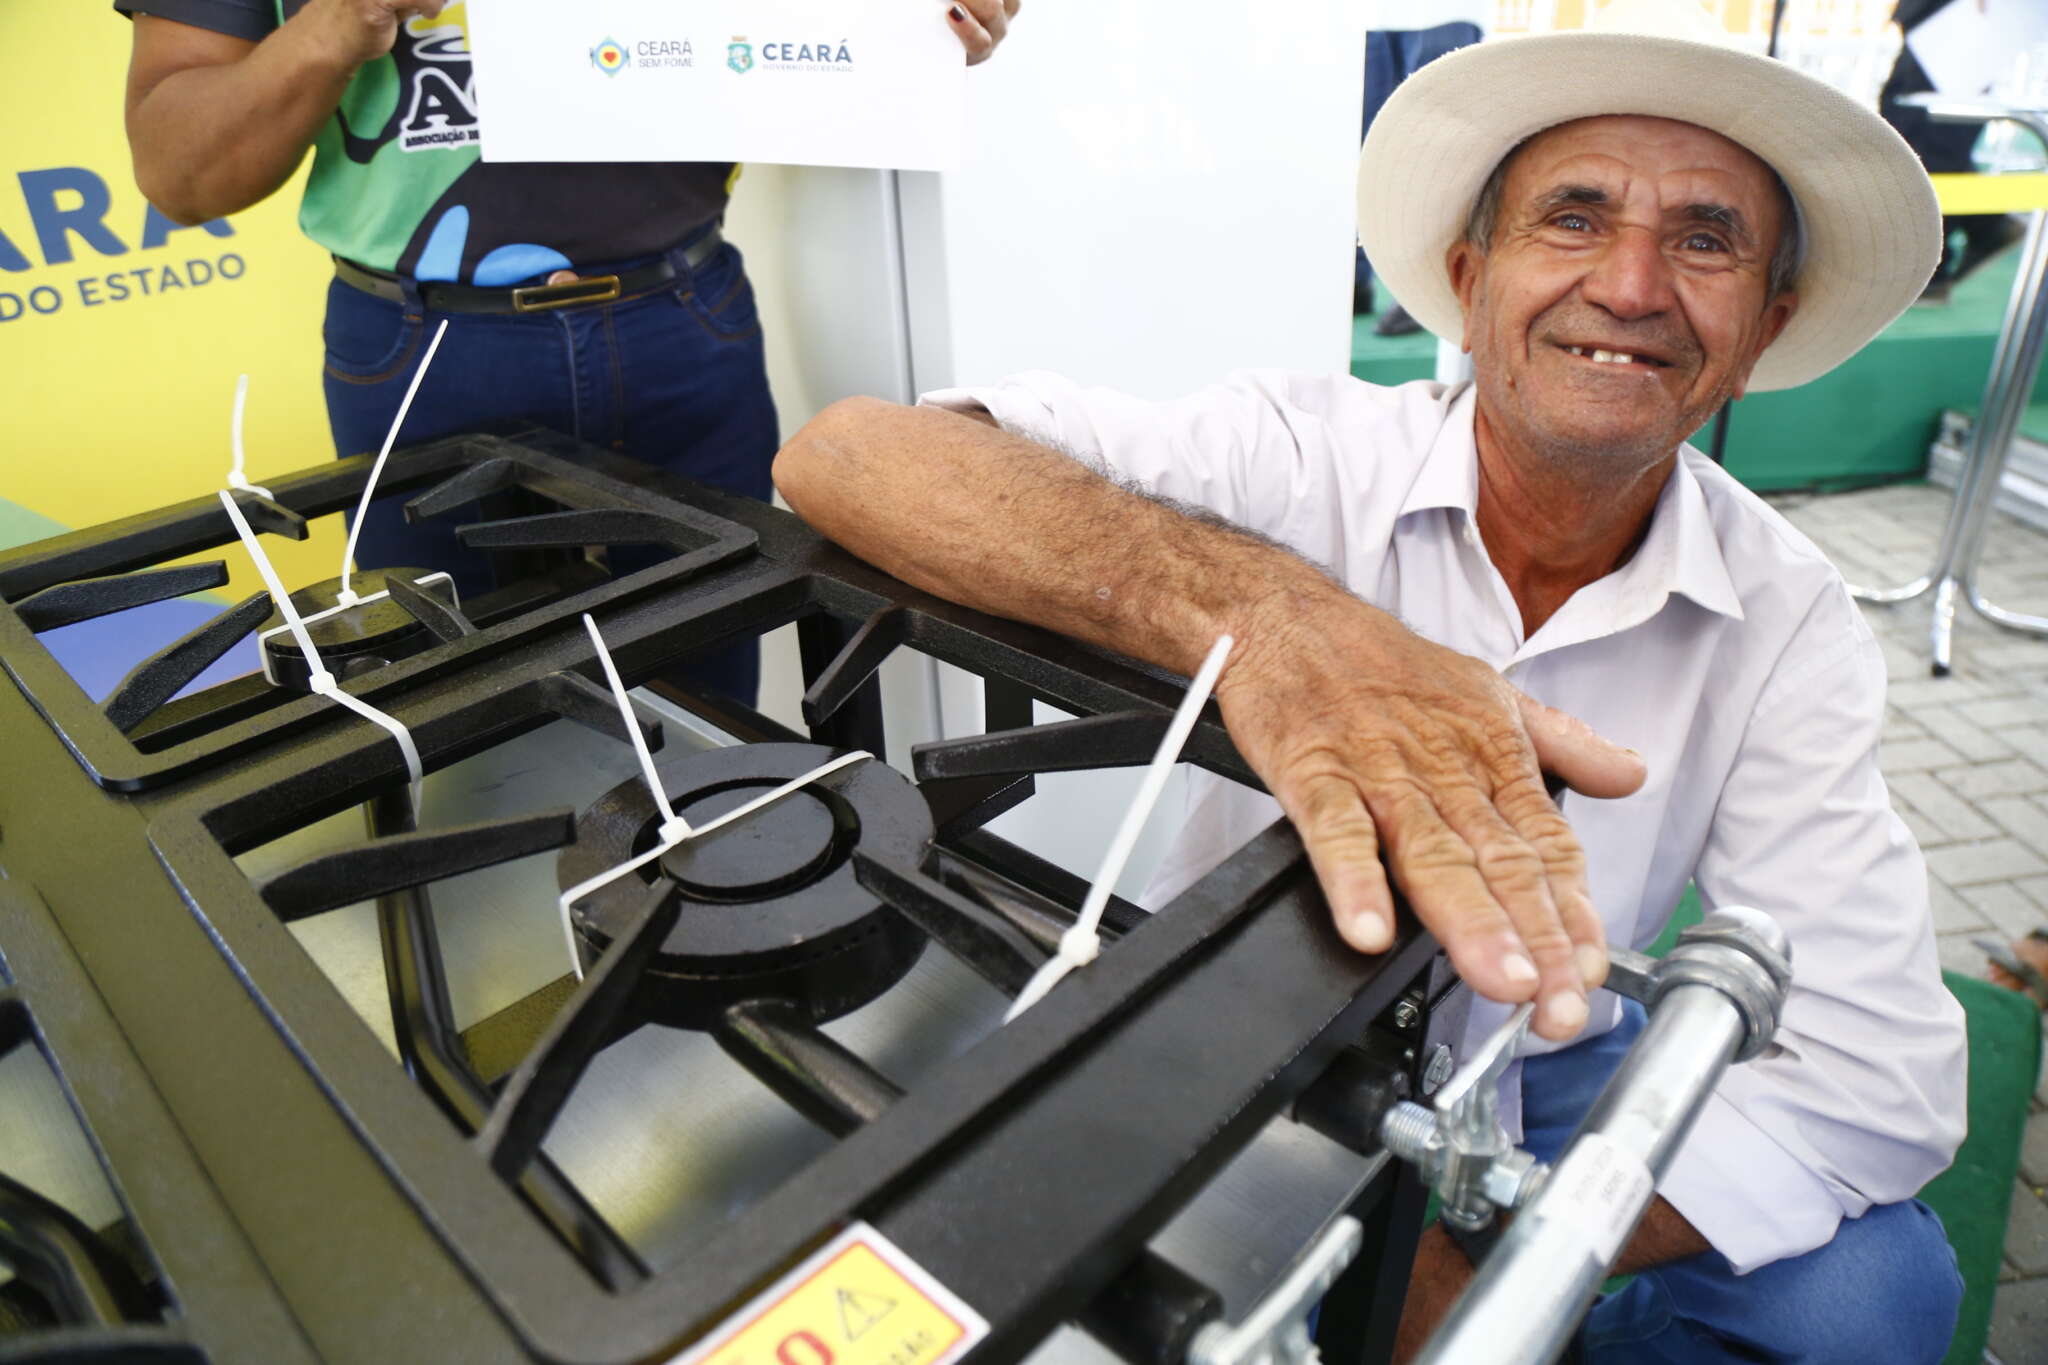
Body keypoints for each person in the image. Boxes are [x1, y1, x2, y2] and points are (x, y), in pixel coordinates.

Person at [772, 3, 1967, 1360]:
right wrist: (1279, 619)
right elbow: (847, 455)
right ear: (1468, 282)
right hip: (1227, 1050)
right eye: (1573, 218)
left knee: (1871, 1302)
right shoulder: (1300, 455)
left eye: (1705, 240)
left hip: (1542, 1058)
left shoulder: (1788, 612)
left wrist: (1498, 1263)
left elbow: (1884, 1071)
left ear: (1761, 329)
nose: (1632, 285)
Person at [116, 0, 1018, 704]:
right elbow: (179, 170)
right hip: (427, 350)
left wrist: (920, 37)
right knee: (448, 701)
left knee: (707, 697)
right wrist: (332, 23)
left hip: (681, 319)